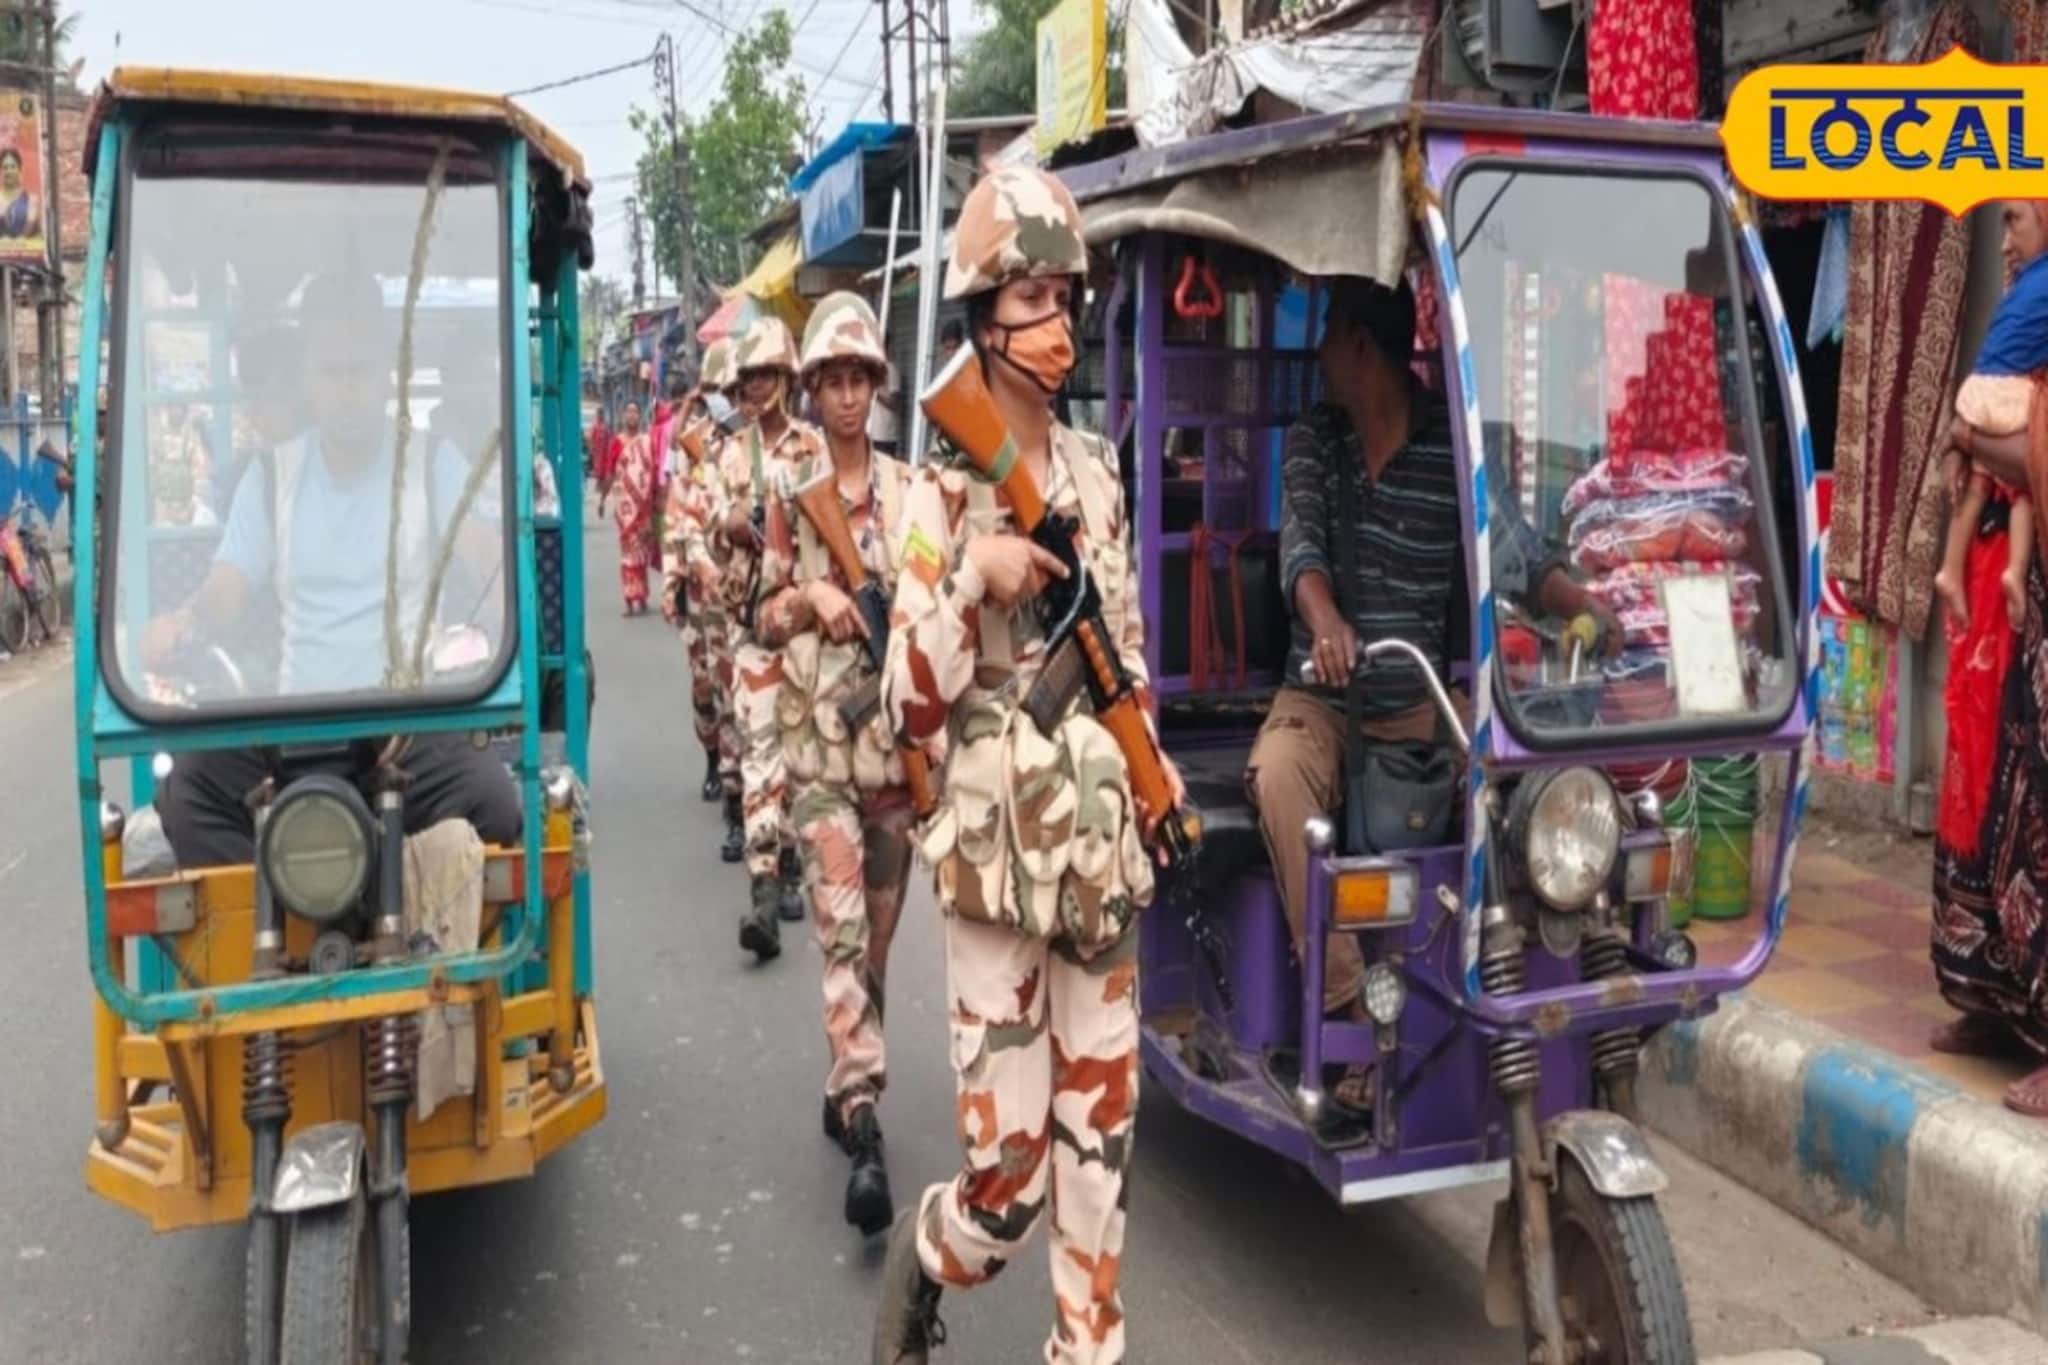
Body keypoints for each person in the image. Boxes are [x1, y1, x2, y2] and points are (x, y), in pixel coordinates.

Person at [872, 165, 1167, 1365]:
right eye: (1029, 299)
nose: (1054, 323)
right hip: (996, 869)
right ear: (981, 319)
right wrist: (966, 584)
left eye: (1064, 298)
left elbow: (1125, 648)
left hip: (1092, 848)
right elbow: (906, 702)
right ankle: (928, 1251)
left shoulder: (1094, 469)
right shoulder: (936, 492)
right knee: (1009, 1182)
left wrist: (1150, 772)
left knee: (1099, 1152)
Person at [1244, 274, 1611, 1120]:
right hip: (1323, 697)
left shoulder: (1455, 448)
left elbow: (1520, 557)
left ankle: (1515, 985)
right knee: (1277, 775)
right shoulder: (1315, 441)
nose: (1320, 353)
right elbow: (1301, 550)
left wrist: (1583, 605)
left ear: (1361, 348)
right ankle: (1347, 1009)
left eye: (1330, 335)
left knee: (1525, 789)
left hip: (1421, 699)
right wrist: (1326, 621)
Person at [145, 272, 519, 865]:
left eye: (361, 370)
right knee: (186, 794)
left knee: (495, 803)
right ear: (308, 378)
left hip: (406, 726)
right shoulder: (272, 476)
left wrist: (499, 602)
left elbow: (486, 557)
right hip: (294, 725)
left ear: (388, 373)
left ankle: (409, 909)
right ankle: (277, 909)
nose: (348, 389)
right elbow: (227, 588)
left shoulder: (429, 463)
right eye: (331, 371)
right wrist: (183, 622)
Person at [754, 292, 916, 1236]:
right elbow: (762, 614)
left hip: (892, 762)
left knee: (877, 948)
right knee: (844, 937)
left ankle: (844, 1077)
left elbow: (934, 609)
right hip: (819, 756)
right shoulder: (794, 496)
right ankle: (864, 1125)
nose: (848, 396)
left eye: (860, 379)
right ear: (813, 390)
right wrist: (810, 595)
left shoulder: (911, 493)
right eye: (834, 381)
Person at [1930, 199, 2048, 1118]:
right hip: (2022, 600)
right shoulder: (2024, 318)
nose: (2004, 240)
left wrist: (1971, 438)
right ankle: (1994, 999)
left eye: (2017, 220)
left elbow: (2031, 453)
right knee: (1994, 788)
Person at [711, 315, 823, 959]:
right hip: (753, 627)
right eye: (747, 378)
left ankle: (787, 861)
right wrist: (730, 525)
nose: (753, 388)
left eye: (763, 376)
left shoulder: (814, 449)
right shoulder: (730, 454)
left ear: (785, 378)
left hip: (805, 627)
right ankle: (762, 888)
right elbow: (704, 530)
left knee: (801, 757)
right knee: (760, 751)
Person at [663, 339, 739, 806]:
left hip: (744, 589)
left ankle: (738, 787)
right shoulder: (695, 445)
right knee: (706, 689)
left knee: (741, 691)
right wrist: (673, 580)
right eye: (718, 389)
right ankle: (713, 758)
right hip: (701, 589)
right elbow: (678, 513)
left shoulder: (757, 444)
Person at [601, 400, 657, 615]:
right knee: (627, 553)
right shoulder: (617, 442)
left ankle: (641, 596)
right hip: (625, 506)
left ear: (640, 416)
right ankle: (629, 598)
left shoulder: (646, 442)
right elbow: (610, 472)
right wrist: (602, 499)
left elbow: (652, 472)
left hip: (643, 505)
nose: (632, 415)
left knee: (641, 552)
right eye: (629, 411)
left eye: (635, 411)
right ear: (623, 415)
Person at [0, 148, 37, 239]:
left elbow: (27, 232)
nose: (8, 171)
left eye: (13, 167)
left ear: (19, 170)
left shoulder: (31, 201)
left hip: (25, 247)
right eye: (5, 167)